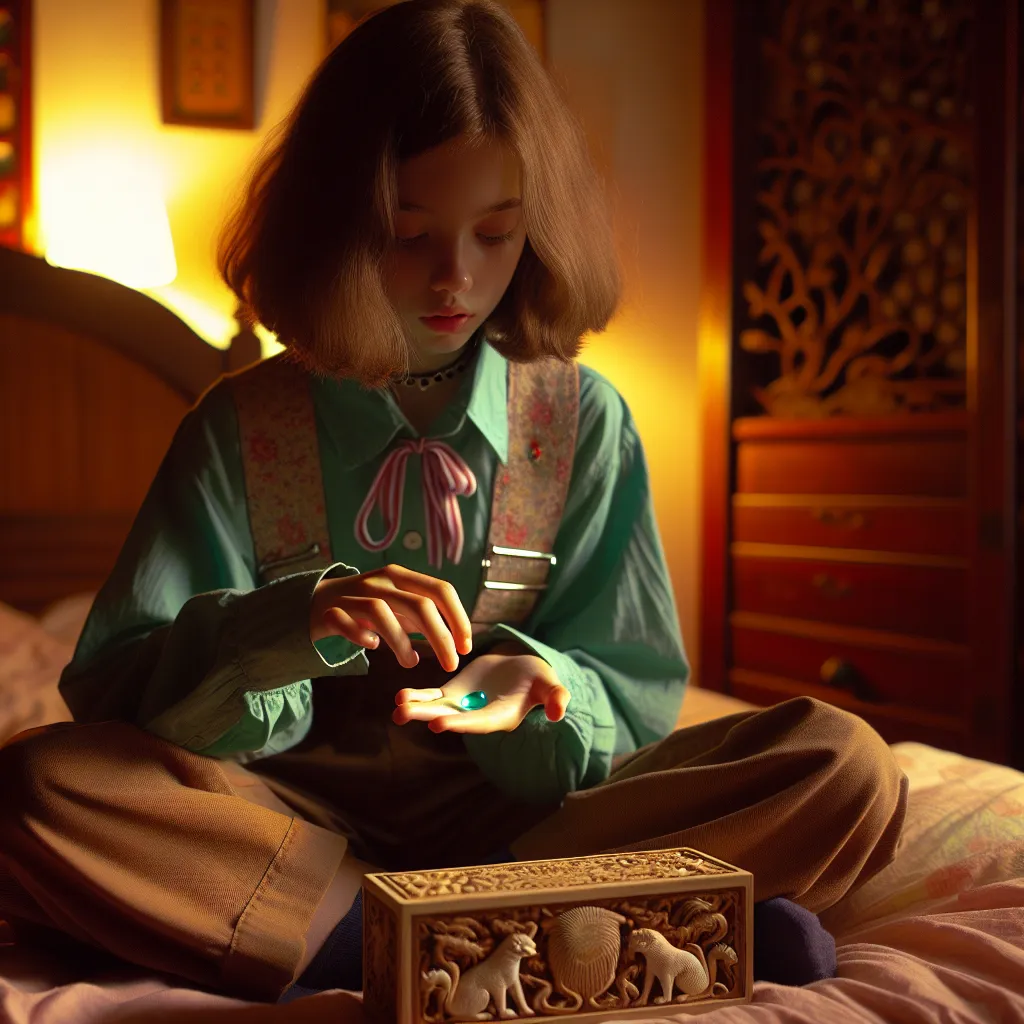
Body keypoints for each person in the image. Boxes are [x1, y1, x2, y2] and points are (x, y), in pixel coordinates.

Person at [0, 0, 907, 1007]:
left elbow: (637, 688)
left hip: (533, 822)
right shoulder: (239, 426)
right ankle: (608, 922)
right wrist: (288, 626)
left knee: (845, 764)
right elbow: (122, 689)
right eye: (408, 231)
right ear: (338, 224)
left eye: (495, 233)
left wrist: (544, 685)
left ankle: (402, 935)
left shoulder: (579, 420)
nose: (454, 277)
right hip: (286, 825)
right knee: (40, 786)